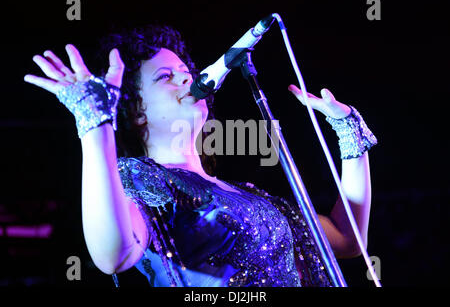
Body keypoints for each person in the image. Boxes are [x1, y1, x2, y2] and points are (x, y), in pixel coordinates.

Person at [24, 24, 377, 287]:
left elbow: (348, 240)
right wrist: (95, 122)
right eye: (165, 77)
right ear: (136, 111)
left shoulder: (248, 194)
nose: (185, 79)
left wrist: (348, 129)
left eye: (184, 72)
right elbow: (112, 255)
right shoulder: (141, 178)